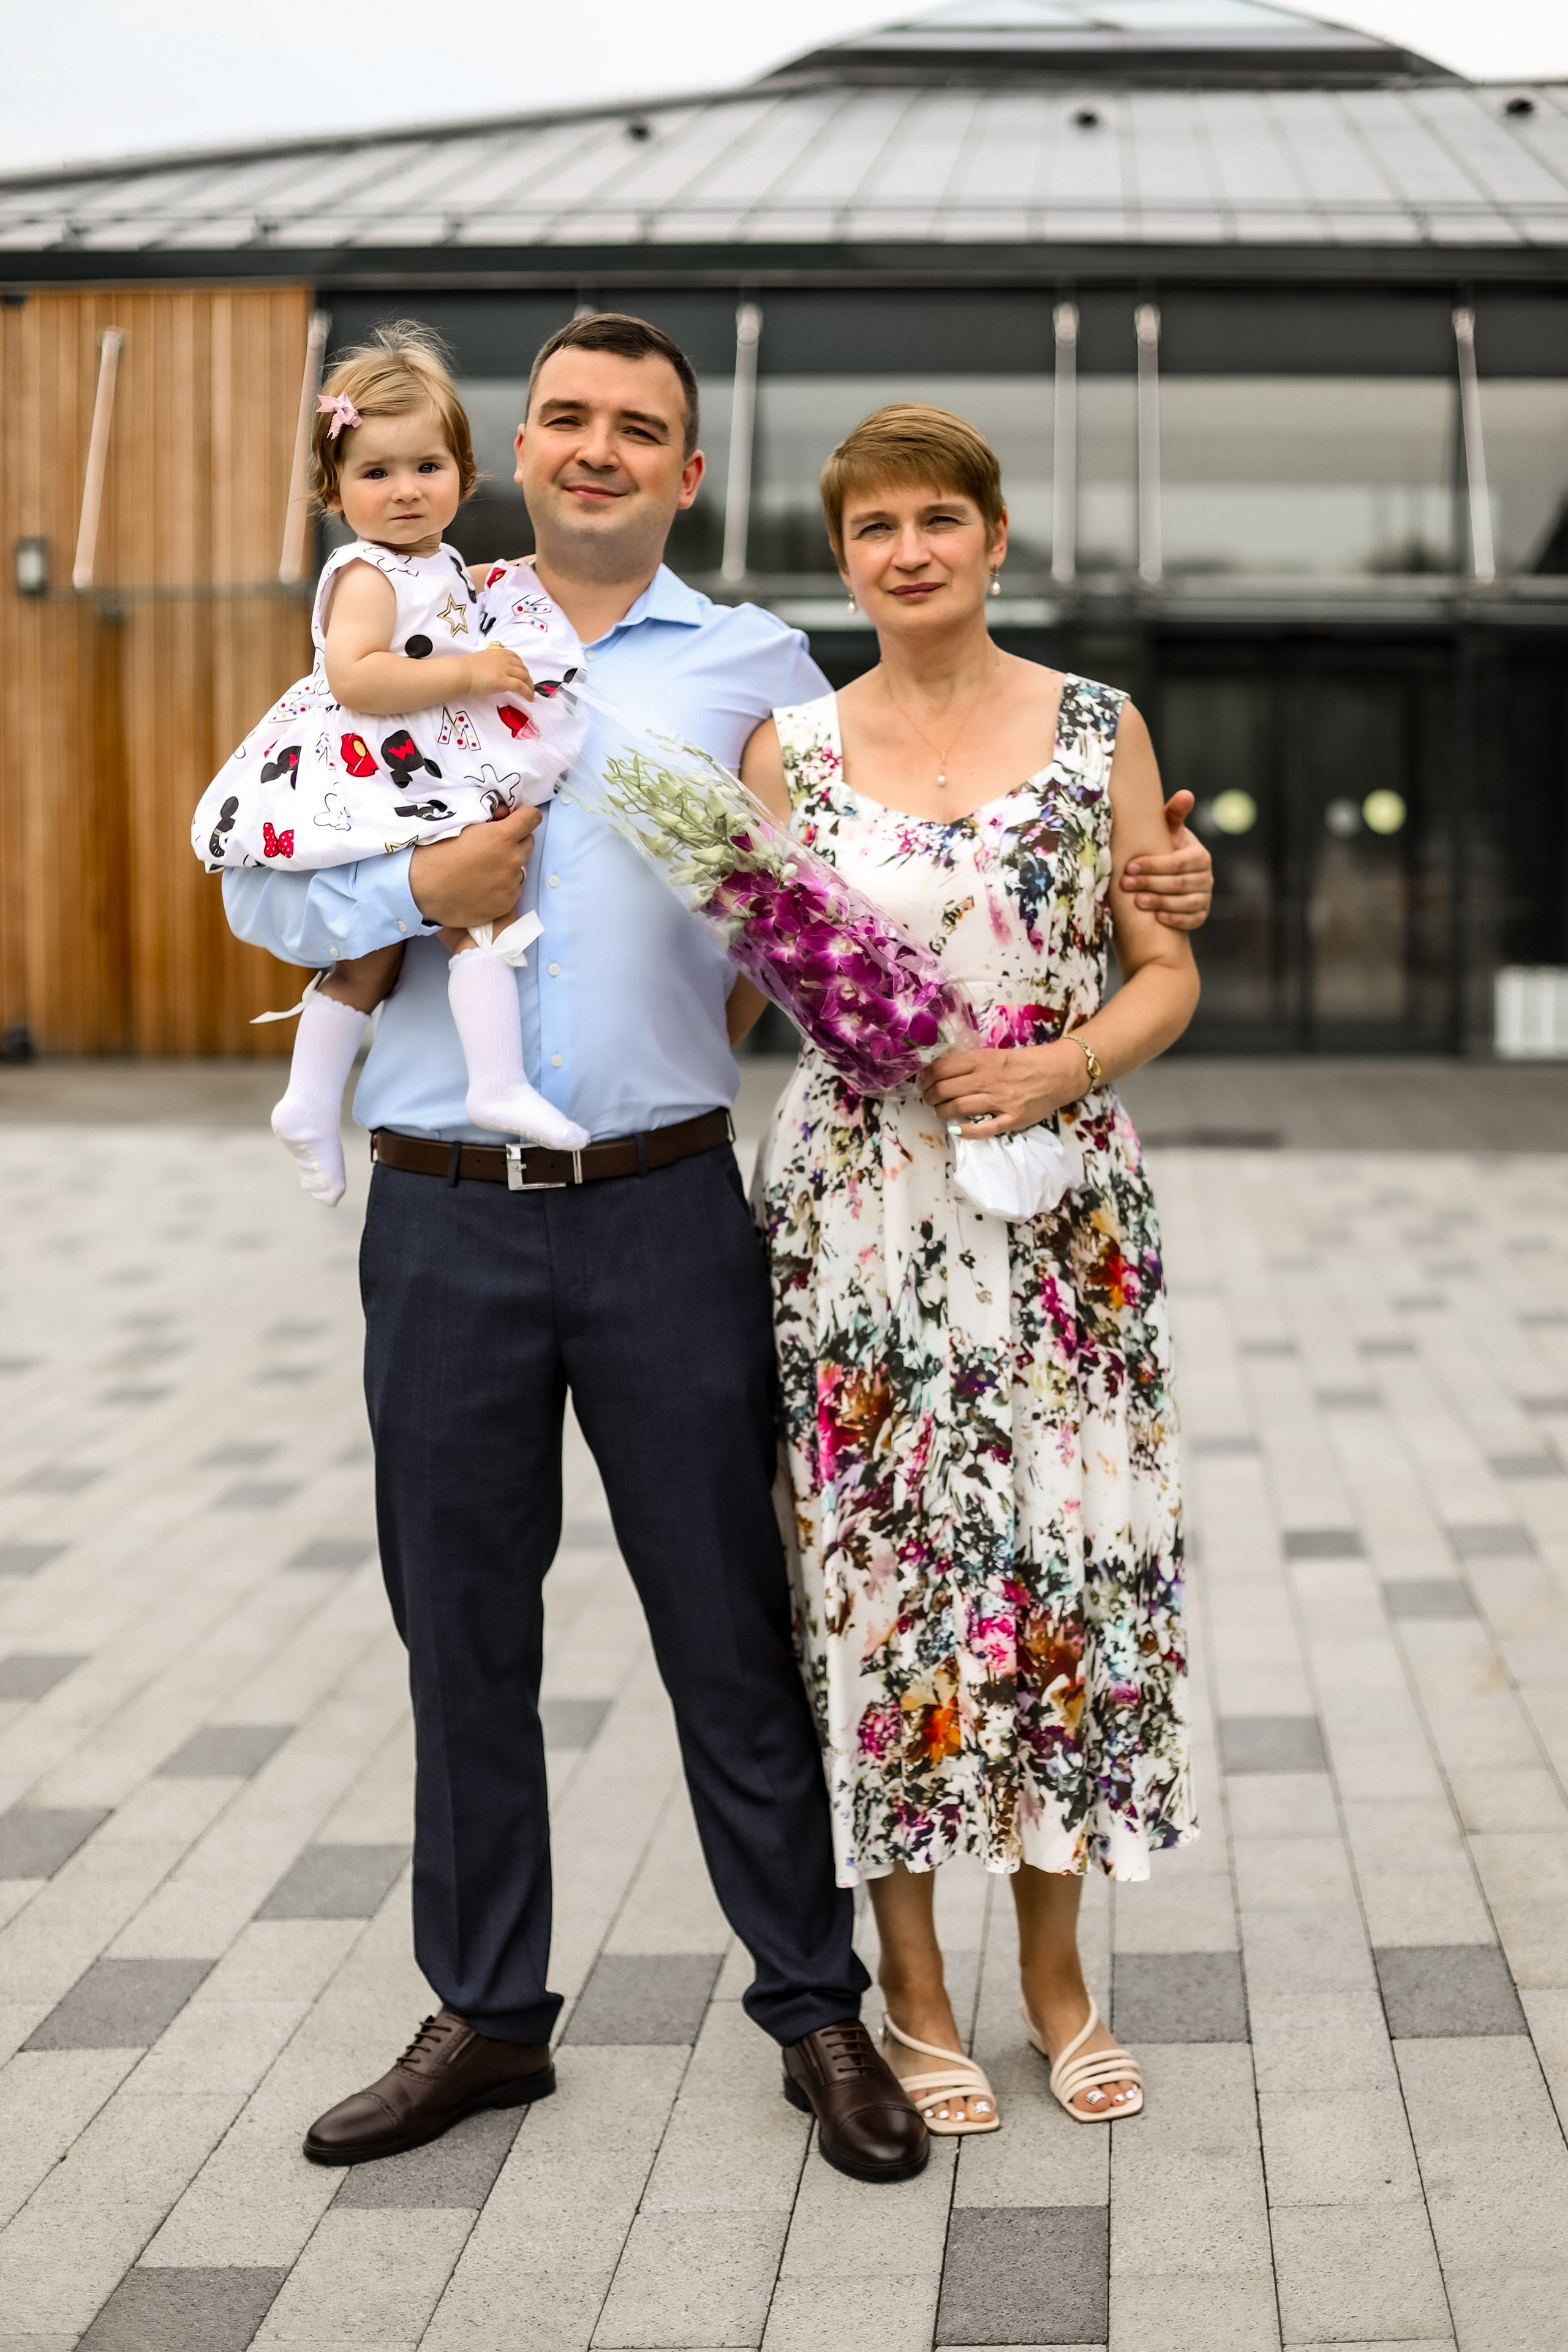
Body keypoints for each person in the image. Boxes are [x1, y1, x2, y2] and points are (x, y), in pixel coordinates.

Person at [221, 317, 1213, 2177]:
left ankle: (814, 2002)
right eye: (572, 421)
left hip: (677, 1211)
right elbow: (265, 872)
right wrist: (414, 891)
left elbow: (888, 882)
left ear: (690, 474)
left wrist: (1159, 887)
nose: (602, 451)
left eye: (644, 432)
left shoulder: (761, 674)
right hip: (442, 1212)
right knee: (459, 1638)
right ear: (521, 448)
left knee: (737, 1632)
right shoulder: (402, 629)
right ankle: (486, 2016)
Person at [740, 404, 1199, 2137]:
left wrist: (1061, 1064)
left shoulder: (1099, 729)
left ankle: (1060, 1981)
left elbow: (1163, 969)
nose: (912, 549)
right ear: (844, 557)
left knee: (1065, 1580)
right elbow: (766, 976)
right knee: (888, 1590)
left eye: (944, 517)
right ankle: (913, 1987)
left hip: (1064, 1215)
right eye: (877, 528)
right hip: (859, 1225)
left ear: (996, 541)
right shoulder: (788, 749)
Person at [195, 323, 591, 1208]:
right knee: (460, 915)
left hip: (412, 762)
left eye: (426, 468)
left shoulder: (441, 563)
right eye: (376, 474)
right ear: (335, 490)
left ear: (465, 474)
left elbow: (445, 606)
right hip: (373, 768)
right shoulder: (365, 573)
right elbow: (360, 676)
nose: (405, 492)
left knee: (392, 950)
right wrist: (473, 670)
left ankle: (311, 1099)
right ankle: (486, 1082)